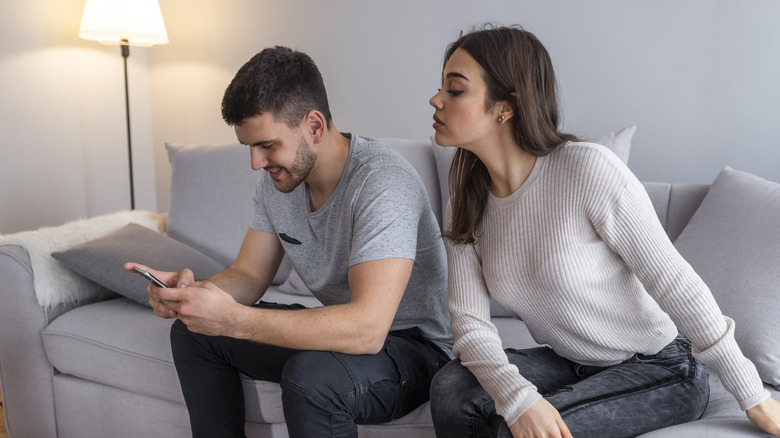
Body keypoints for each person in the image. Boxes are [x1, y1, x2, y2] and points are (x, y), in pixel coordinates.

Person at [427, 25, 780, 438]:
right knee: (452, 388)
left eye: (455, 90)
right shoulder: (466, 202)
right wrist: (519, 397)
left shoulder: (585, 169)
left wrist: (755, 398)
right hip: (568, 360)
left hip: (659, 365)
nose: (435, 99)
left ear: (505, 106)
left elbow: (674, 282)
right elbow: (470, 326)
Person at [126, 46, 452, 438]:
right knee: (195, 332)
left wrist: (233, 319)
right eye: (249, 147)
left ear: (314, 126)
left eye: (267, 145)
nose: (256, 163)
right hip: (345, 338)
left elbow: (367, 329)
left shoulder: (383, 182)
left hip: (413, 349)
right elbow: (248, 273)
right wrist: (196, 296)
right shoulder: (277, 184)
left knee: (311, 377)